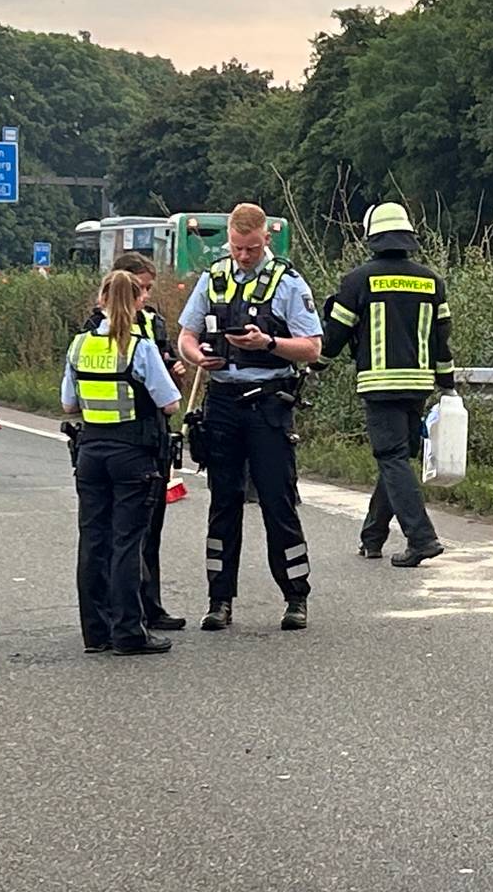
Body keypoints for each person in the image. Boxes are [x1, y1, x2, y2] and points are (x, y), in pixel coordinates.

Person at [176, 203, 323, 632]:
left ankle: (296, 596)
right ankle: (219, 600)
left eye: (252, 248)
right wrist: (197, 355)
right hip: (222, 400)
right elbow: (186, 334)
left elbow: (312, 347)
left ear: (266, 240)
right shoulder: (213, 277)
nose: (243, 256)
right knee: (223, 504)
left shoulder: (289, 283)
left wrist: (268, 343)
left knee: (278, 503)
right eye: (238, 248)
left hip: (268, 403)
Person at [319, 202, 456, 567]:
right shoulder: (432, 282)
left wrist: (316, 364)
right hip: (419, 386)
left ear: (372, 238)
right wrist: (448, 385)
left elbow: (334, 336)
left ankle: (421, 538)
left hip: (379, 385)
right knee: (396, 457)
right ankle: (373, 536)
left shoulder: (357, 281)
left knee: (392, 458)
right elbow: (441, 343)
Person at [63, 270, 186, 655]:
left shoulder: (79, 345)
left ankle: (95, 633)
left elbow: (69, 403)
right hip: (133, 454)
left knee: (93, 540)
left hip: (90, 453)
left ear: (100, 300)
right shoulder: (139, 347)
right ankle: (129, 632)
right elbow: (170, 403)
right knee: (127, 543)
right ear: (137, 303)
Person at [107, 250, 187, 632]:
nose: (146, 296)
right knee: (123, 533)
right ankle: (125, 612)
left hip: (153, 435)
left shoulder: (153, 321)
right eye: (142, 288)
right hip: (126, 436)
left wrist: (176, 367)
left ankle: (151, 606)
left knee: (150, 530)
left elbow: (168, 359)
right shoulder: (99, 325)